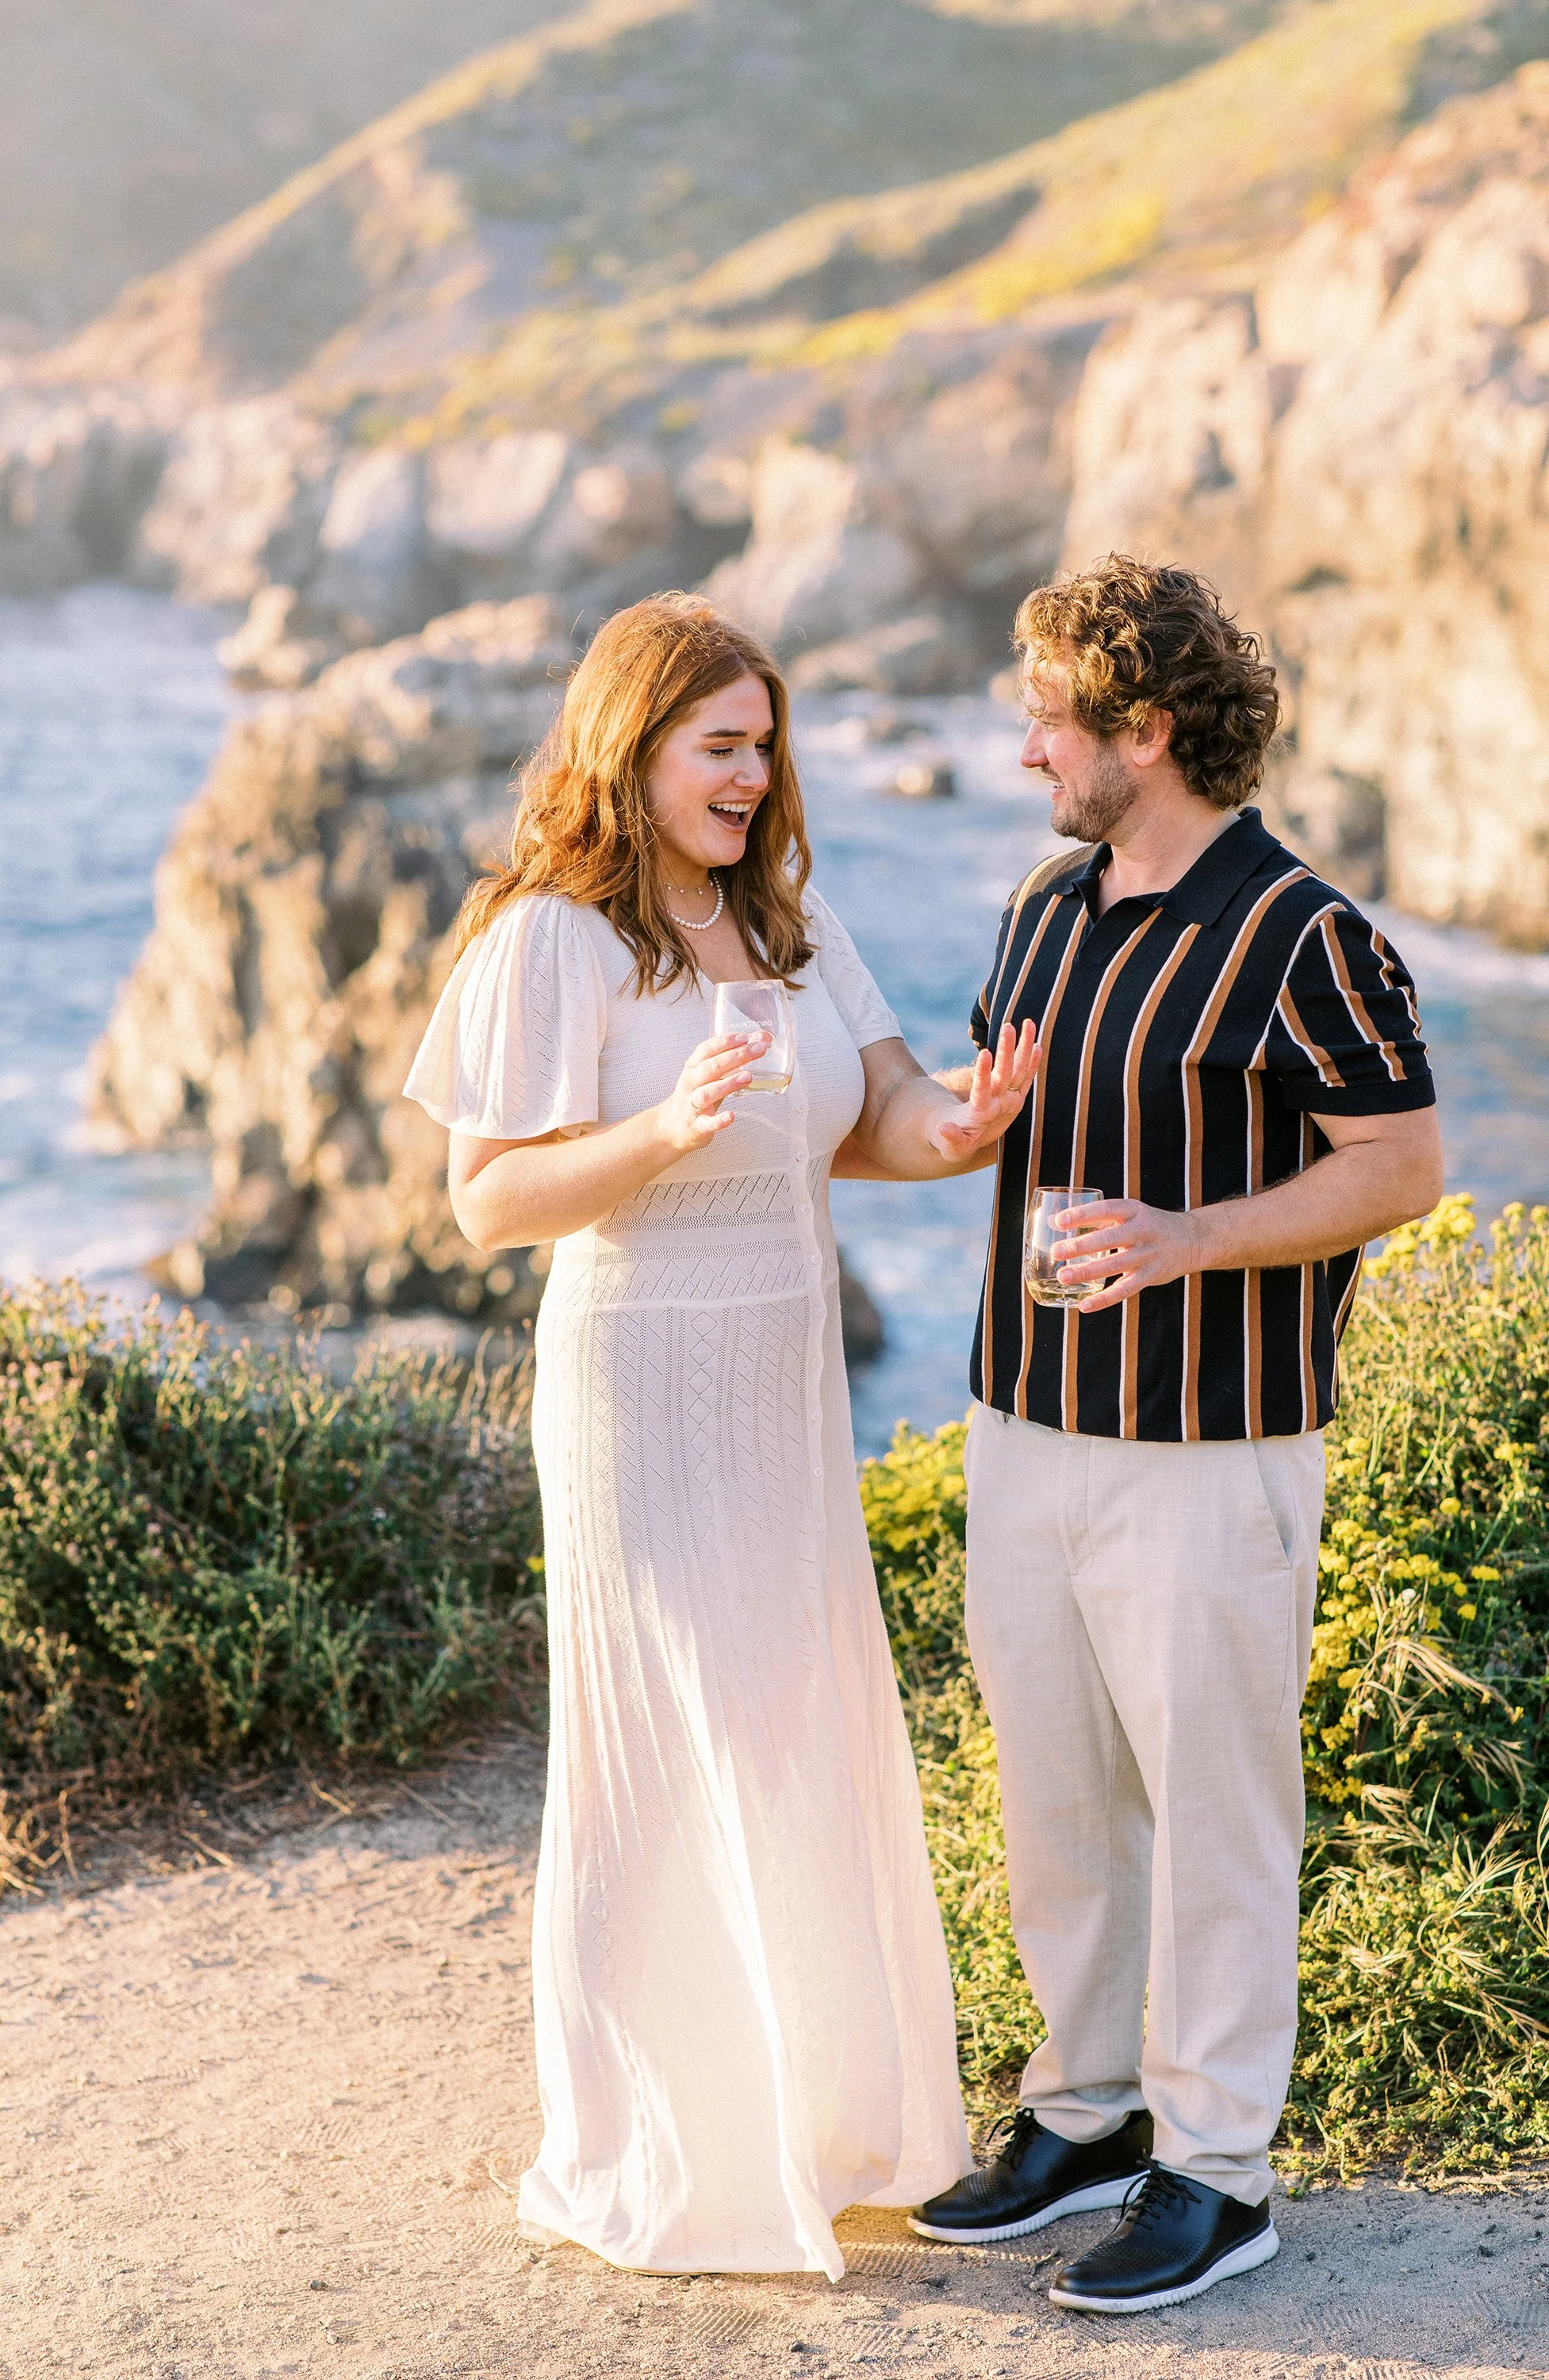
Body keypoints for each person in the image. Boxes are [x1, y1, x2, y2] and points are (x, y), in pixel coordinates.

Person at [403, 593, 1035, 2279]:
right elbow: (487, 1201)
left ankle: (824, 2133)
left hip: (781, 1374)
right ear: (637, 745)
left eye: (765, 745)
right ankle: (670, 2150)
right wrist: (658, 1128)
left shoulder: (802, 924)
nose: (754, 777)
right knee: (669, 1739)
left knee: (796, 1727)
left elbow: (880, 1119)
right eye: (721, 745)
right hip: (640, 1383)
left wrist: (968, 1119)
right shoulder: (556, 939)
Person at [902, 558, 1444, 2313]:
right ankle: (1086, 2111)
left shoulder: (1305, 934)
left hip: (1215, 1453)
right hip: (1022, 1426)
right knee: (1057, 1795)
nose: (1025, 746)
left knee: (1212, 1810)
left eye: (1049, 716)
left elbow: (1403, 1166)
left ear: (1144, 727)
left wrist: (1186, 1238)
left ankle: (1216, 2172)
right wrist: (961, 1116)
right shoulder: (1043, 907)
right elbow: (992, 1103)